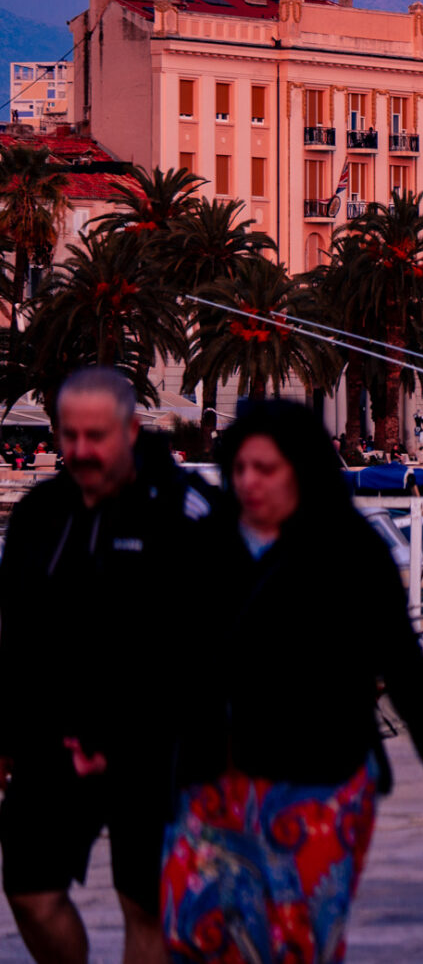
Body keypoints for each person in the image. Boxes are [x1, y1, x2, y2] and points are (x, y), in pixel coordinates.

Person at [160, 398, 423, 963]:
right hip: (209, 777)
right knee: (197, 932)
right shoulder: (205, 545)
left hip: (317, 775)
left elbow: (397, 653)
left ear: (300, 469)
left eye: (266, 469)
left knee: (296, 939)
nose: (250, 483)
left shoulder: (350, 549)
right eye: (241, 470)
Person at [0, 367, 210, 964]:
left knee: (145, 904)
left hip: (155, 742)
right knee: (29, 892)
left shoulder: (184, 511)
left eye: (97, 436)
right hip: (52, 738)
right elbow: (14, 629)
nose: (81, 451)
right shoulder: (42, 512)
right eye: (70, 436)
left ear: (130, 429)